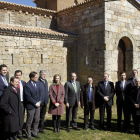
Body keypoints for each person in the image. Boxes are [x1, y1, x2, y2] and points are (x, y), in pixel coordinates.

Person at [24, 71, 43, 140]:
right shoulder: (27, 85)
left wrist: (40, 101)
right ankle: (28, 134)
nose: (37, 78)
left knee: (36, 120)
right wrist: (35, 103)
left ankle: (35, 132)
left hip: (38, 105)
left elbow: (41, 93)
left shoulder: (38, 83)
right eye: (36, 77)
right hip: (31, 106)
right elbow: (28, 97)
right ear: (32, 78)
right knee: (29, 121)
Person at [14, 70, 26, 140]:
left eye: (19, 75)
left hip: (22, 103)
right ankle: (14, 133)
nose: (18, 76)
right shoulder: (12, 83)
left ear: (21, 76)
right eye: (17, 75)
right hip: (15, 104)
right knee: (15, 119)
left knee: (21, 119)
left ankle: (20, 133)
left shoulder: (23, 83)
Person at [0, 64, 9, 139]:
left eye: (6, 70)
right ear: (0, 71)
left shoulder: (6, 77)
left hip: (5, 101)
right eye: (3, 70)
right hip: (0, 100)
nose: (5, 71)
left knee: (4, 118)